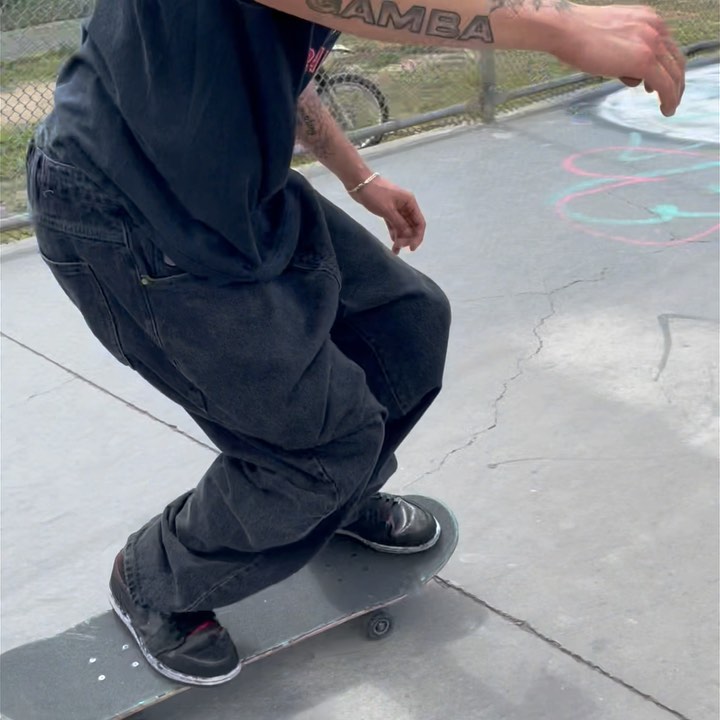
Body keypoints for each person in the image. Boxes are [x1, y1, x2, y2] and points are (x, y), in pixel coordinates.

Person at [26, 0, 684, 687]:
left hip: (235, 192)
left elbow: (282, 68)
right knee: (318, 451)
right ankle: (155, 578)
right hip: (126, 211)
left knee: (405, 329)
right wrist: (560, 28)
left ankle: (332, 501)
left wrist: (359, 176)